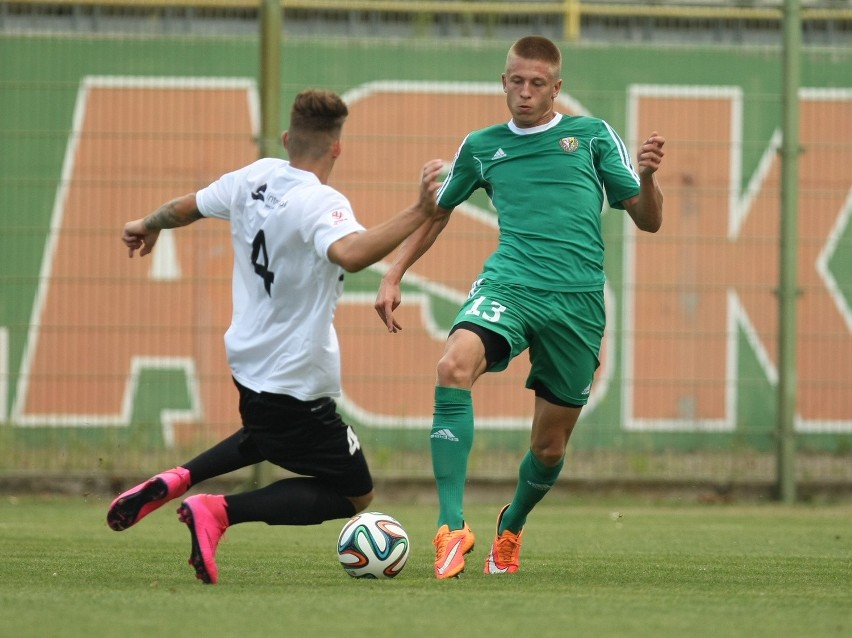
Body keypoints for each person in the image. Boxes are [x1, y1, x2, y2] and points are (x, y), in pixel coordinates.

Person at [108, 88, 443, 585]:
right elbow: (350, 253)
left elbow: (187, 206)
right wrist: (420, 209)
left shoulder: (254, 176)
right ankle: (218, 511)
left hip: (249, 365)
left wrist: (147, 223)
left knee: (269, 435)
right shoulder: (321, 201)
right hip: (296, 378)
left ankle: (180, 478)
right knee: (354, 493)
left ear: (288, 139)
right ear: (337, 147)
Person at [374, 35, 665, 579]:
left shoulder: (592, 136)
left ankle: (511, 528)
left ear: (557, 88)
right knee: (451, 366)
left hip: (578, 303)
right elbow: (436, 213)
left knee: (549, 448)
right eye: (516, 81)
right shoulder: (482, 146)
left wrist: (647, 180)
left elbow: (648, 220)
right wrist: (394, 272)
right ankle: (451, 527)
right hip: (510, 284)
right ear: (502, 81)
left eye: (537, 84)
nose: (525, 93)